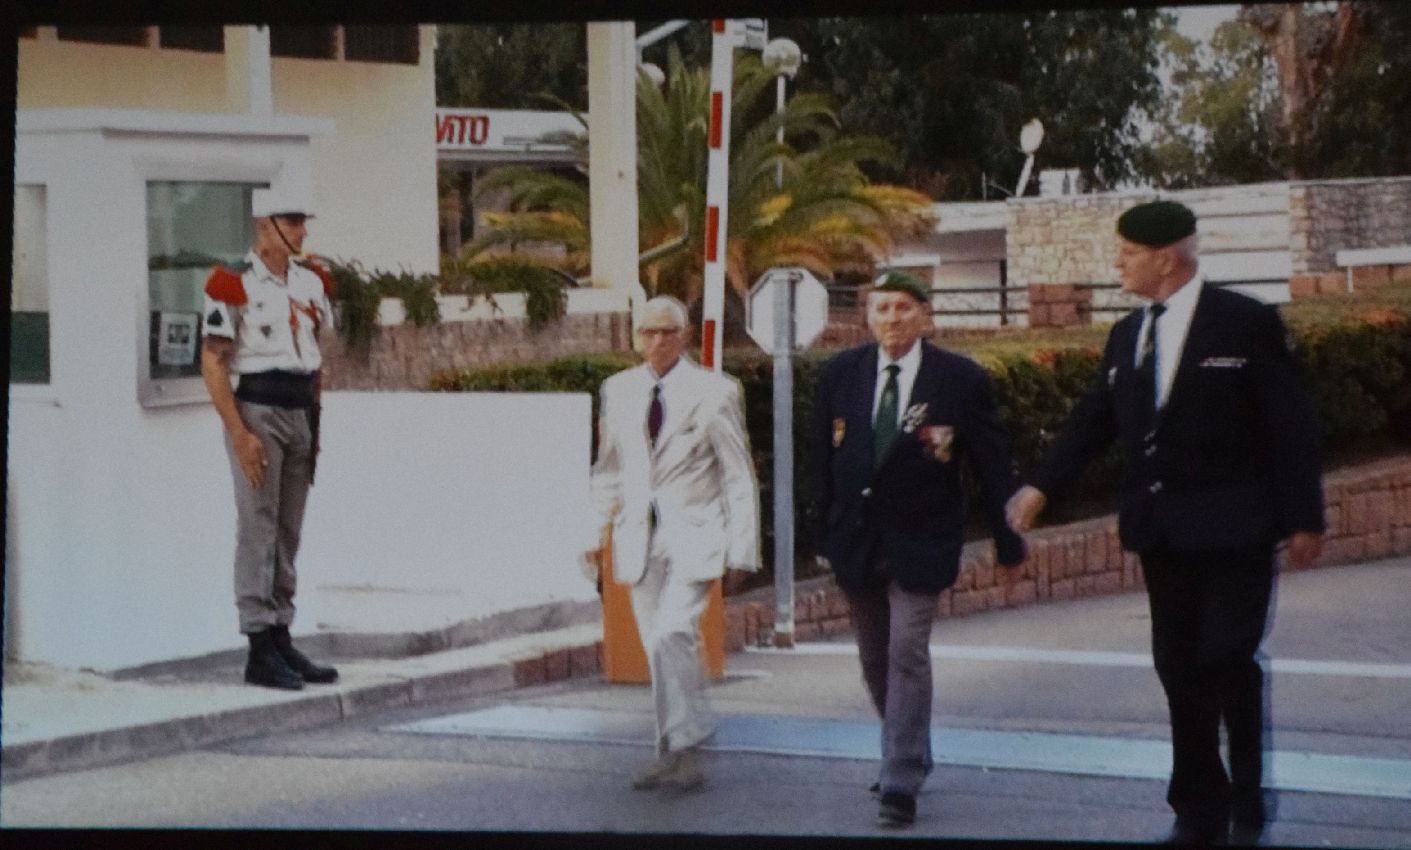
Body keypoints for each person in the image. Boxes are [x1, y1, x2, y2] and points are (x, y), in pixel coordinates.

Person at [1006, 200, 1325, 845]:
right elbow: (1093, 419)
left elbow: (1290, 426)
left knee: (1228, 657)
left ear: (1166, 258)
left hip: (1235, 526)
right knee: (1177, 663)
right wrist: (1040, 487)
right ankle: (1196, 808)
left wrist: (1303, 517)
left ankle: (1247, 796)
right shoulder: (1128, 334)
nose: (1117, 262)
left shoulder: (1244, 323)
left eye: (1126, 252)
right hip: (1162, 531)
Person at [810, 272, 1025, 828]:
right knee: (874, 660)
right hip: (857, 542)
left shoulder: (959, 379)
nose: (892, 319)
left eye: (904, 308)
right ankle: (910, 748)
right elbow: (816, 463)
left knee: (907, 651)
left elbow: (991, 464)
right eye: (881, 308)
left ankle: (900, 779)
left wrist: (1008, 540)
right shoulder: (841, 375)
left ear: (924, 316)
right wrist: (819, 535)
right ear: (867, 315)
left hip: (923, 540)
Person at [582, 296, 760, 792]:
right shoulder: (617, 390)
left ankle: (691, 736)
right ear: (635, 338)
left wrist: (743, 549)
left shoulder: (715, 391)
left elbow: (737, 474)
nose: (657, 342)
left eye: (667, 332)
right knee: (657, 647)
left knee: (672, 633)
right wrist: (594, 533)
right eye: (647, 333)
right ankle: (673, 751)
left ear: (683, 337)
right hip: (638, 537)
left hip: (696, 534)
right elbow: (610, 470)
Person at [201, 186, 340, 691]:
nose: (302, 231)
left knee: (288, 529)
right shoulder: (231, 283)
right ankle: (258, 644)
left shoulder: (312, 281)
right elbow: (214, 362)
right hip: (258, 408)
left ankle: (281, 634)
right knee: (258, 526)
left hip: (300, 408)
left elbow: (317, 356)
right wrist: (239, 433)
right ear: (266, 225)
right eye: (293, 221)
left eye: (303, 221)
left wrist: (315, 422)